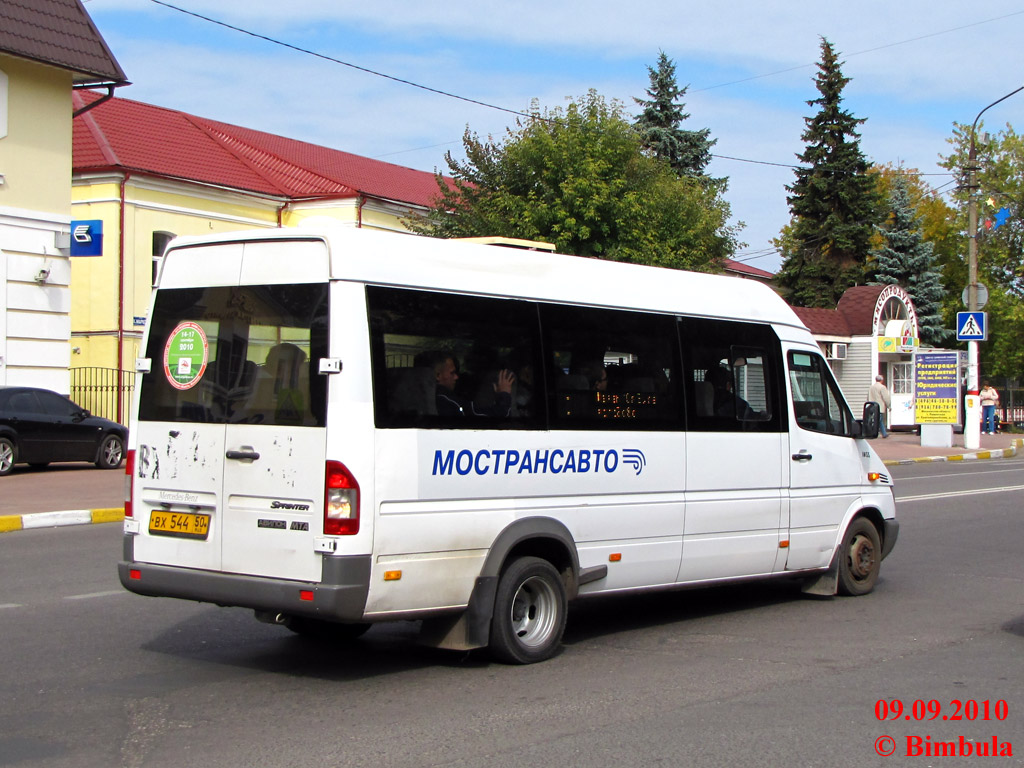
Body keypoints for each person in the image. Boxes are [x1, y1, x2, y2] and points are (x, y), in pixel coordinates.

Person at [433, 352, 514, 418]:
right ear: (438, 375)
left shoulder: (435, 396)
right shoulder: (448, 401)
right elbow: (499, 418)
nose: (456, 377)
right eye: (452, 373)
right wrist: (504, 394)